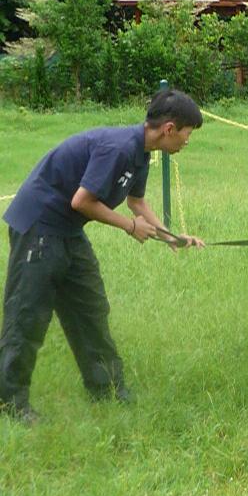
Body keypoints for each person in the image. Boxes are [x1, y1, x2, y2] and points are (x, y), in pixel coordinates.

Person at [0, 89, 205, 424]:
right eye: (187, 133)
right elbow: (81, 201)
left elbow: (136, 203)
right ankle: (10, 403)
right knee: (27, 314)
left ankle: (107, 389)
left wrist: (172, 237)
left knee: (90, 307)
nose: (187, 141)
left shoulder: (142, 153)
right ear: (169, 128)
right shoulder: (119, 148)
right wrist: (129, 227)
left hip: (67, 231)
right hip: (39, 224)